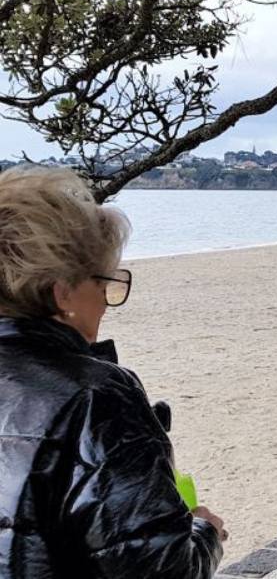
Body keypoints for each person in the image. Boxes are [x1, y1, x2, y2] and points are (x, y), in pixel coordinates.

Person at [0, 166, 225, 579]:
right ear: (63, 292)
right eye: (105, 284)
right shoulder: (96, 396)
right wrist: (205, 531)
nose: (106, 303)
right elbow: (160, 569)